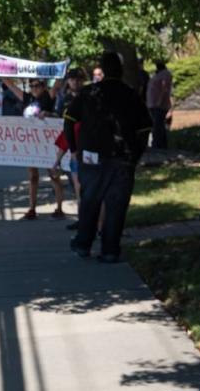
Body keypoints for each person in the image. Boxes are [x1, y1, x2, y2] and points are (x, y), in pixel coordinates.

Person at [65, 51, 152, 262]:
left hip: (92, 158)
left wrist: (74, 149)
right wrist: (136, 154)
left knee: (89, 201)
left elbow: (68, 120)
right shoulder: (130, 94)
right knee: (116, 205)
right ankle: (110, 250)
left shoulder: (88, 93)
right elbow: (146, 126)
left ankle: (83, 243)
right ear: (121, 70)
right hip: (123, 158)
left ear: (102, 70)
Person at [2, 77, 66, 220]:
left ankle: (59, 208)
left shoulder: (48, 97)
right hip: (31, 144)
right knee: (32, 176)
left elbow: (56, 86)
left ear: (43, 86)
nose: (34, 88)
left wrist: (49, 114)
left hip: (47, 143)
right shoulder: (27, 98)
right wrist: (1, 72)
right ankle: (32, 209)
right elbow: (11, 86)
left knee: (53, 175)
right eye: (31, 86)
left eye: (37, 85)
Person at [147, 60, 173, 149]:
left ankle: (158, 146)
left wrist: (159, 101)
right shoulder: (158, 74)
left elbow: (164, 89)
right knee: (158, 125)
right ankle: (161, 145)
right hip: (153, 104)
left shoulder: (165, 74)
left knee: (157, 126)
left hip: (159, 105)